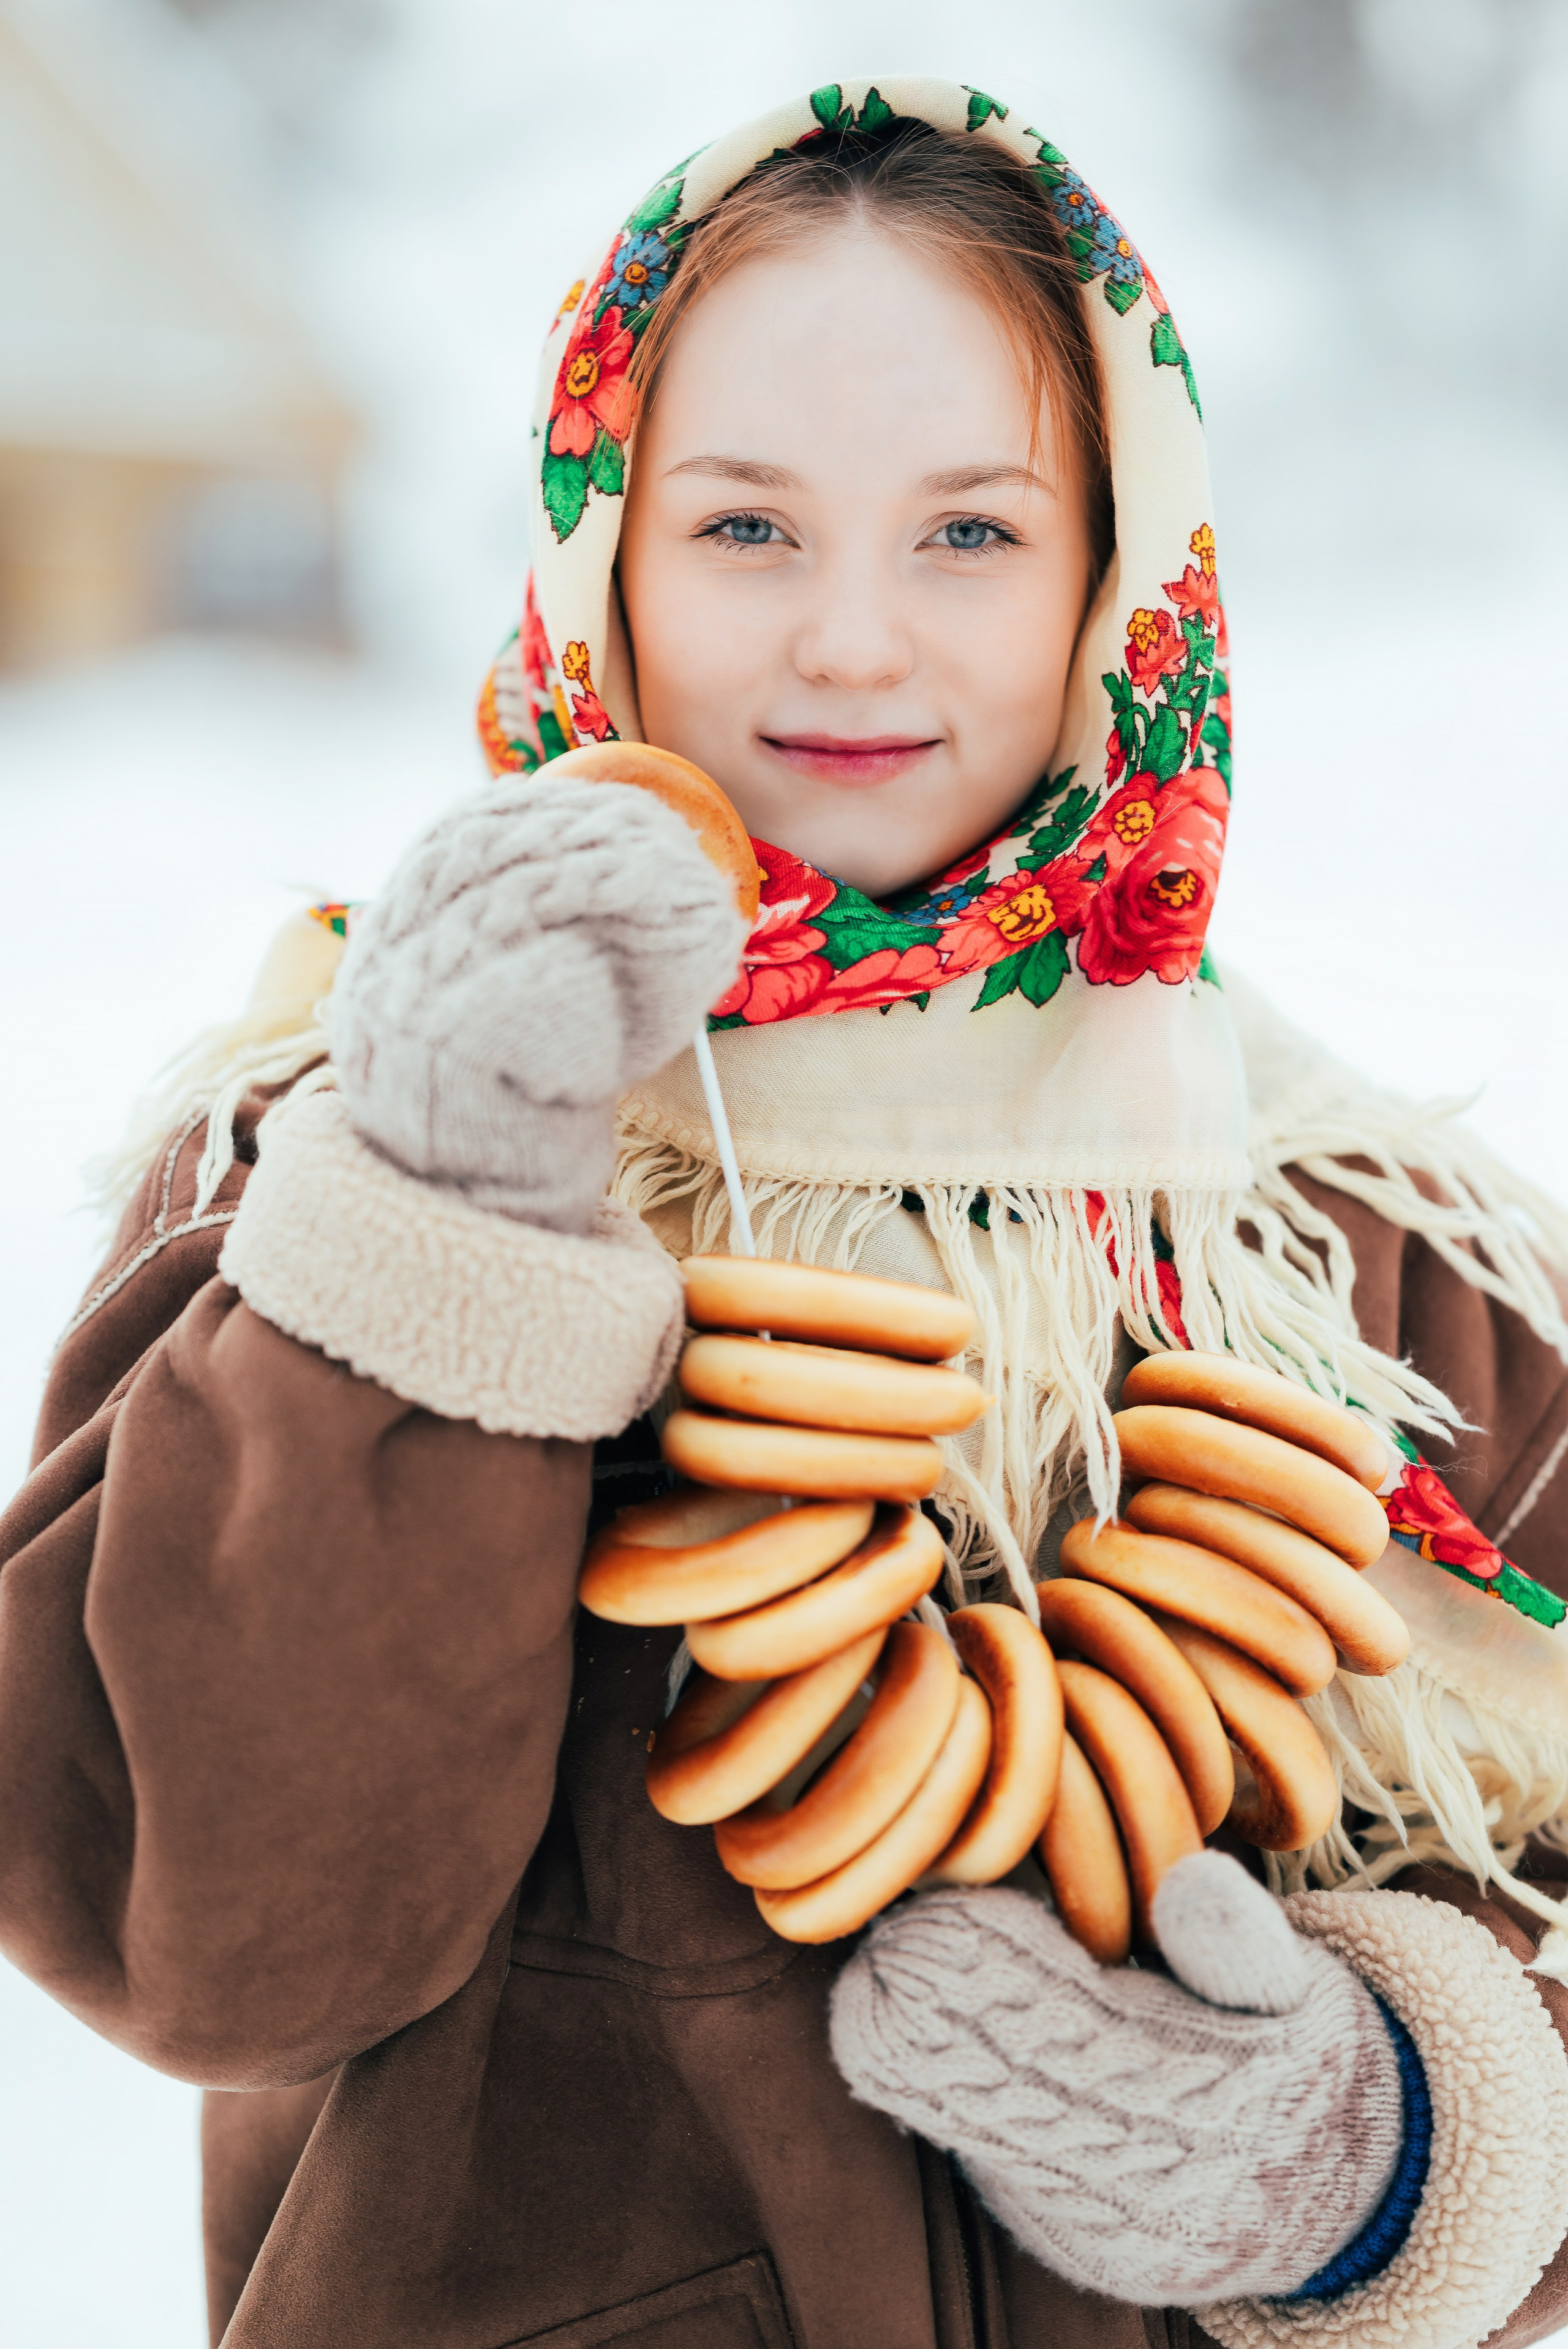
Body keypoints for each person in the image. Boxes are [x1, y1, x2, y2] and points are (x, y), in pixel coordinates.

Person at [4, 79, 1568, 2349]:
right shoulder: (319, 1158)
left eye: (969, 533)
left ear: (1117, 575)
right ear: (604, 549)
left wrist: (1380, 2143)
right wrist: (448, 1221)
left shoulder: (1348, 1249)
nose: (851, 640)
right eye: (747, 525)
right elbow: (212, 1936)